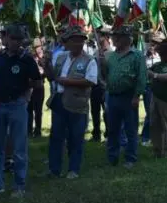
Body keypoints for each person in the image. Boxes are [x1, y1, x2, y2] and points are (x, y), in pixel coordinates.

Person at [0, 23, 42, 196]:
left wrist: (26, 88)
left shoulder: (26, 59)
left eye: (19, 39)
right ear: (6, 39)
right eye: (13, 39)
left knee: (19, 147)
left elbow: (38, 82)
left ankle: (19, 185)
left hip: (17, 105)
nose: (16, 42)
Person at [49, 27, 97, 178]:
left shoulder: (90, 60)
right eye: (74, 40)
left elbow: (90, 81)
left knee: (76, 138)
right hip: (59, 101)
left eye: (81, 40)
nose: (78, 43)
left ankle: (73, 169)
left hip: (78, 103)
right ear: (67, 43)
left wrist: (66, 81)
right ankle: (54, 169)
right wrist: (45, 64)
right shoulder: (61, 57)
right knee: (56, 136)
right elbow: (52, 76)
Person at [104, 26, 147, 168]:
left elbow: (142, 77)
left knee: (130, 129)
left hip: (129, 96)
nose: (114, 39)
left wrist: (136, 96)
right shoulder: (111, 56)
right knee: (112, 129)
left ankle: (130, 158)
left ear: (126, 39)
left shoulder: (137, 55)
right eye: (114, 36)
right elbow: (106, 74)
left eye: (117, 37)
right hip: (113, 96)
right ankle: (112, 156)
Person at [90, 27, 112, 142]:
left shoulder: (111, 54)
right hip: (95, 85)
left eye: (100, 35)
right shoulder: (96, 52)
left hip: (105, 86)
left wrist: (105, 63)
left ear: (106, 37)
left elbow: (109, 72)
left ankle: (109, 133)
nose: (97, 38)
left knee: (107, 112)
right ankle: (96, 133)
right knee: (94, 111)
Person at [27, 38, 46, 138]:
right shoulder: (31, 58)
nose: (36, 50)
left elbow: (46, 73)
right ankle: (29, 130)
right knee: (29, 109)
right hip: (30, 87)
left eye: (38, 47)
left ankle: (38, 130)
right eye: (35, 48)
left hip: (39, 86)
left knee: (38, 110)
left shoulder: (44, 58)